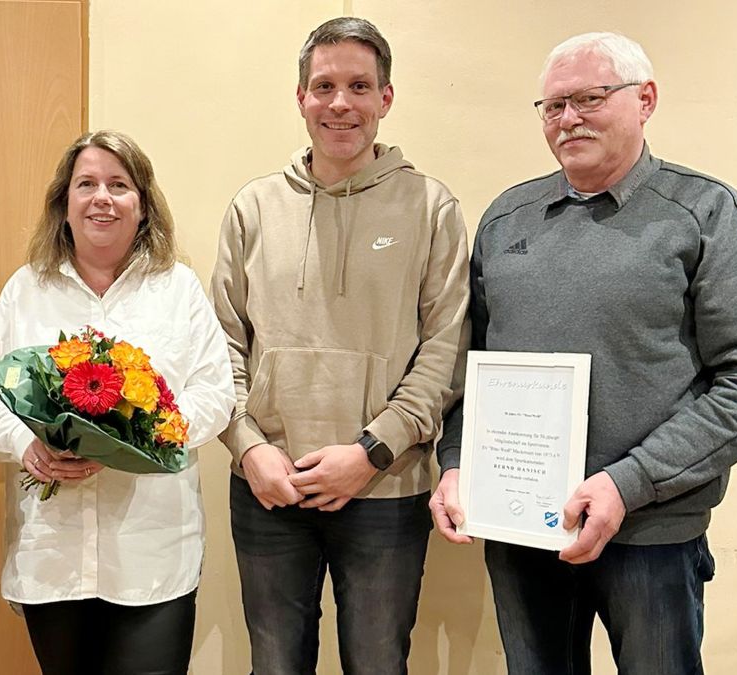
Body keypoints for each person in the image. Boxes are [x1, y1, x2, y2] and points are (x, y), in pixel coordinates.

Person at [430, 32, 737, 675]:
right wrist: (458, 465)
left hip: (651, 534)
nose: (568, 118)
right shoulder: (505, 219)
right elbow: (471, 367)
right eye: (552, 105)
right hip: (523, 528)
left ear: (645, 100)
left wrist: (628, 484)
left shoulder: (707, 213)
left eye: (591, 98)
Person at [210, 17, 470, 675]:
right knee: (273, 663)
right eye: (323, 85)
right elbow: (221, 348)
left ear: (385, 98)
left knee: (379, 663)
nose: (340, 103)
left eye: (359, 85)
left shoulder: (431, 207)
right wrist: (250, 448)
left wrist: (371, 449)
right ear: (301, 97)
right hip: (270, 487)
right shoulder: (253, 208)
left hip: (384, 488)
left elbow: (445, 349)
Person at [0, 130, 234, 675]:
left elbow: (216, 393)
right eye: (87, 184)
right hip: (54, 552)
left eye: (119, 185)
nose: (102, 197)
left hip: (152, 549)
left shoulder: (178, 289)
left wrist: (138, 441)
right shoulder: (26, 290)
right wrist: (28, 447)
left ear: (142, 207)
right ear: (64, 204)